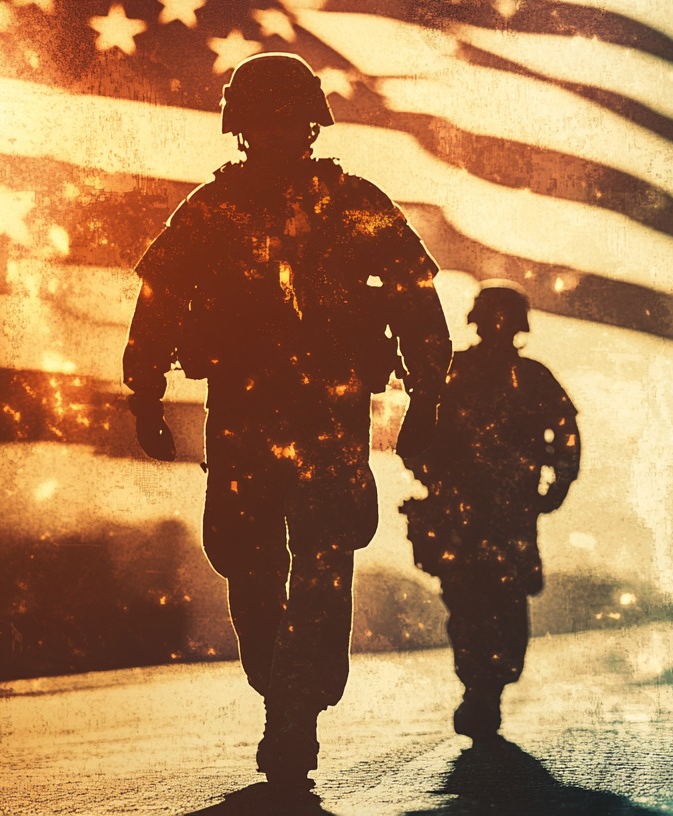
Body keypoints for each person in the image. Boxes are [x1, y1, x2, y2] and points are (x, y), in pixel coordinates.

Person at [122, 52, 452, 787]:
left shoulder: (340, 200)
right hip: (259, 413)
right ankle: (289, 693)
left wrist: (430, 393)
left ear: (304, 123)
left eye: (283, 118)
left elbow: (413, 297)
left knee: (316, 556)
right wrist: (143, 392)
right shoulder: (220, 208)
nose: (274, 130)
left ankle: (293, 703)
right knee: (255, 559)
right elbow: (160, 300)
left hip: (316, 414)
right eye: (263, 118)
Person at [401, 281, 580, 741]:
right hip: (469, 512)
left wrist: (558, 483)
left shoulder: (524, 377)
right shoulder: (456, 373)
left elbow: (566, 436)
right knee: (471, 602)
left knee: (494, 601)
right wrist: (434, 479)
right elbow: (415, 436)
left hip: (503, 514)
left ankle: (487, 688)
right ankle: (482, 688)